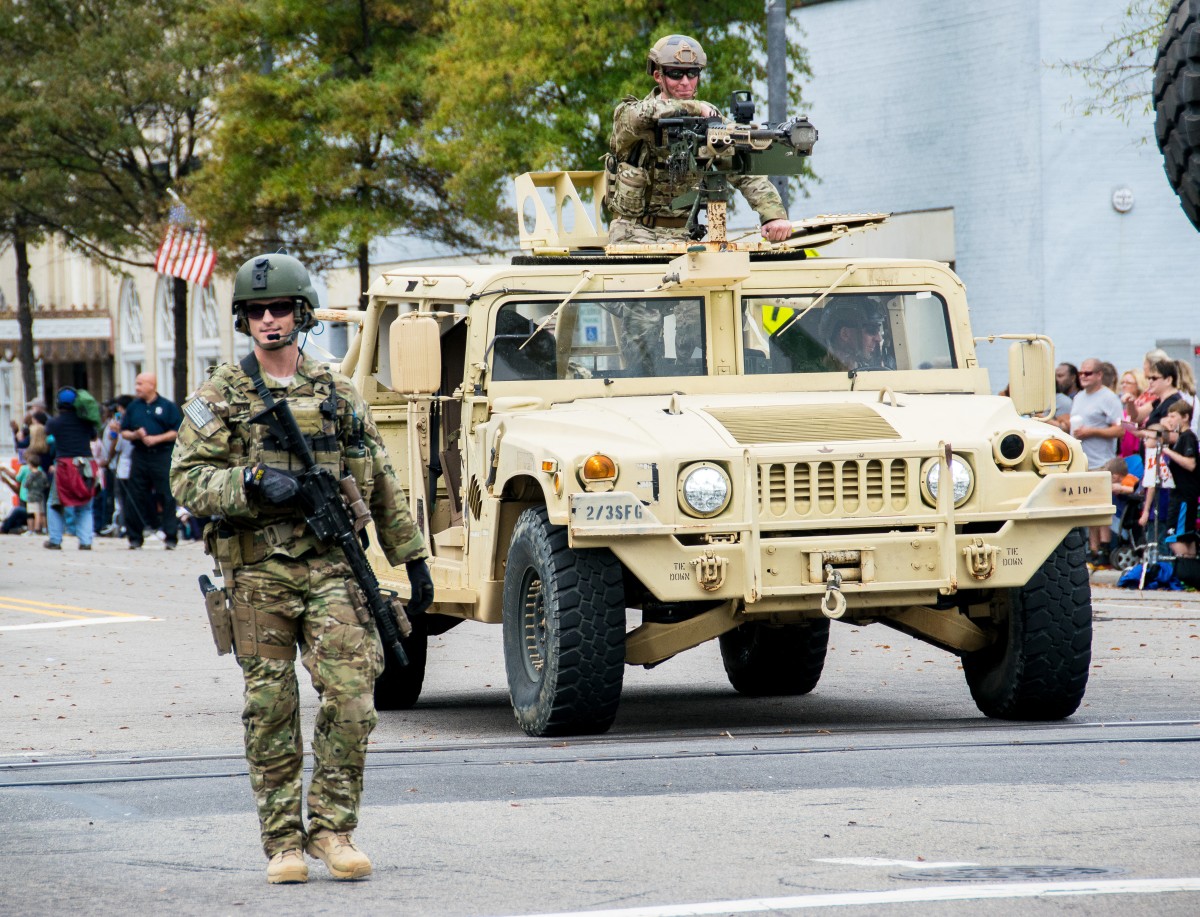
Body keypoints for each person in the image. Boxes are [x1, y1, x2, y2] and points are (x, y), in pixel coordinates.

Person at [170, 253, 435, 885]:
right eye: (256, 311)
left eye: (279, 308)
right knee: (271, 708)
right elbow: (186, 479)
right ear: (244, 320)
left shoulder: (338, 393)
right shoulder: (221, 396)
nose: (268, 320)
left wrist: (412, 557)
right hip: (258, 575)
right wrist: (255, 482)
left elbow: (380, 478)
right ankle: (283, 843)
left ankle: (333, 830)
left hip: (333, 570)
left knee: (351, 698)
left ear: (302, 314)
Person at [607, 34, 793, 245]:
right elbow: (642, 115)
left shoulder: (710, 122)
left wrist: (773, 214)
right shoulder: (630, 115)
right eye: (676, 74)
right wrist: (696, 107)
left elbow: (744, 170)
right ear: (658, 76)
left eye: (692, 73)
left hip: (684, 236)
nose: (685, 82)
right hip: (633, 234)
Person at [1070, 358, 1123, 566]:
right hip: (1083, 461)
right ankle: (1092, 550)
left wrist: (1092, 431)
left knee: (1102, 507)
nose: (1083, 376)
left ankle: (1105, 548)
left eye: (1088, 373)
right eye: (1081, 373)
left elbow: (1119, 430)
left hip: (1103, 460)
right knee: (1089, 508)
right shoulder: (1079, 398)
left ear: (1099, 375)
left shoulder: (1108, 398)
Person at [121, 373, 182, 550]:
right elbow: (124, 431)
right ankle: (135, 536)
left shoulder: (167, 406)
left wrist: (157, 439)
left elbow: (176, 431)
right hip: (140, 454)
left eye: (140, 384)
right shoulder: (133, 407)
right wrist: (135, 435)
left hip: (162, 454)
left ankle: (170, 536)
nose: (137, 387)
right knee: (135, 495)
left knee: (167, 494)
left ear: (151, 385)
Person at [43, 387, 97, 550]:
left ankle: (55, 539)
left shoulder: (55, 422)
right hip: (85, 465)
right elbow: (94, 436)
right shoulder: (86, 421)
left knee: (55, 503)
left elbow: (47, 436)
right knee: (85, 504)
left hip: (64, 466)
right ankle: (86, 541)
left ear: (59, 403)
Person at [1157, 400, 1199, 558]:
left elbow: (1190, 463)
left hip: (1184, 496)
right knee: (1187, 535)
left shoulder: (1188, 437)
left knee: (1176, 535)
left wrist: (1167, 452)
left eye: (1173, 416)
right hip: (1180, 494)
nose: (1171, 420)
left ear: (1185, 417)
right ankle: (1190, 574)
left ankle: (1185, 571)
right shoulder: (1181, 437)